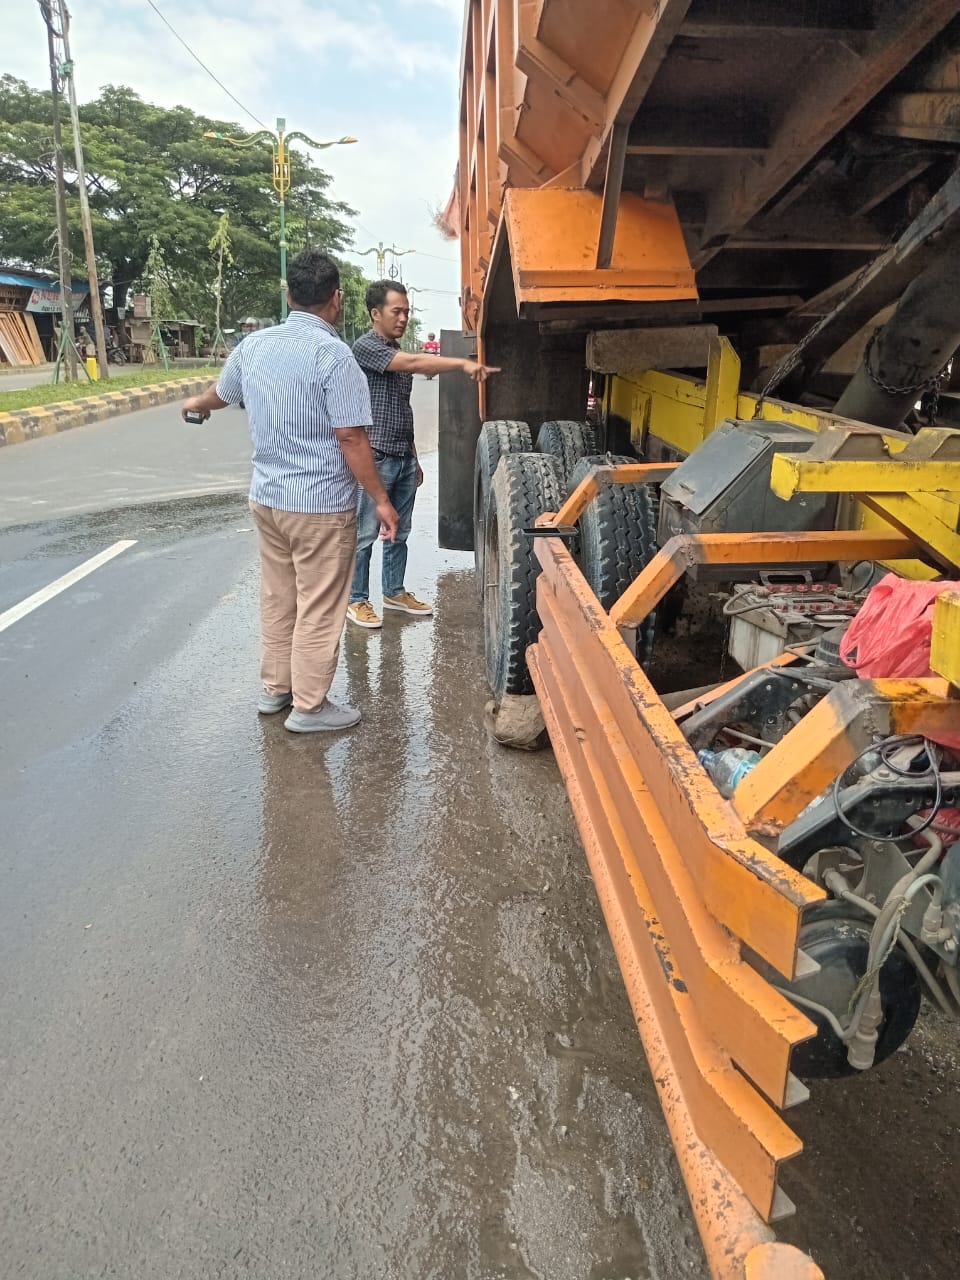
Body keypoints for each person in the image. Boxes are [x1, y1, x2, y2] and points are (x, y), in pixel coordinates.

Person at [181, 250, 400, 733]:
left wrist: (194, 403)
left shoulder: (254, 346)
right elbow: (351, 437)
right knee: (320, 603)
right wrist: (382, 500)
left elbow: (222, 394)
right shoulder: (333, 355)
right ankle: (310, 706)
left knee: (280, 597)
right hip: (319, 505)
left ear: (289, 295)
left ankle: (276, 690)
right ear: (337, 300)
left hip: (268, 500)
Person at [346, 280, 499, 630]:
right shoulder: (367, 348)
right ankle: (357, 600)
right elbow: (418, 363)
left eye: (406, 312)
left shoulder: (394, 349)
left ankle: (394, 592)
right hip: (376, 457)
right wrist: (462, 364)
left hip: (400, 455)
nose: (403, 318)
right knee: (366, 533)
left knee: (400, 531)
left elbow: (402, 407)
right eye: (396, 311)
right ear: (375, 313)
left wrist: (413, 456)